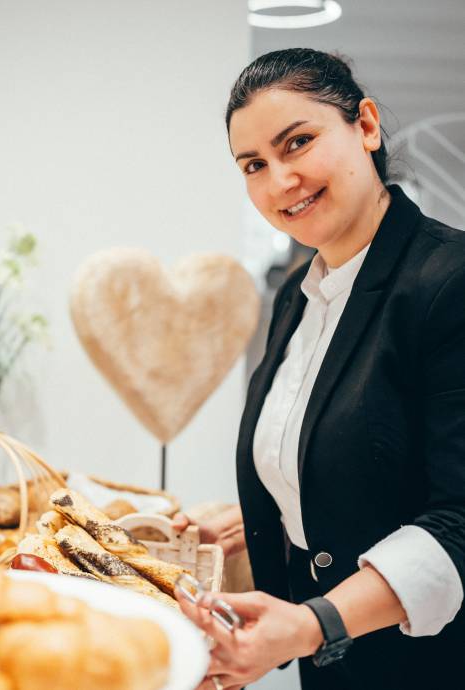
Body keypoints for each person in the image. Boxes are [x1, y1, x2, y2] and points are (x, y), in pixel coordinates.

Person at [172, 48, 465, 690]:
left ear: (365, 125)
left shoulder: (449, 280)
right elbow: (357, 448)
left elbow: (459, 520)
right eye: (254, 164)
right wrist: (276, 505)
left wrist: (312, 625)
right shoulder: (295, 294)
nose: (279, 181)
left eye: (297, 142)